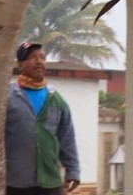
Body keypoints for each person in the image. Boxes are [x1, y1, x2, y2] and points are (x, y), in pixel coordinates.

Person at [5, 41, 80, 195]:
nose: (39, 61)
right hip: (16, 184)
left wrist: (73, 171)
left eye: (42, 57)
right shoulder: (8, 97)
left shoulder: (55, 98)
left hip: (50, 183)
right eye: (33, 57)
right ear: (20, 64)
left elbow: (67, 137)